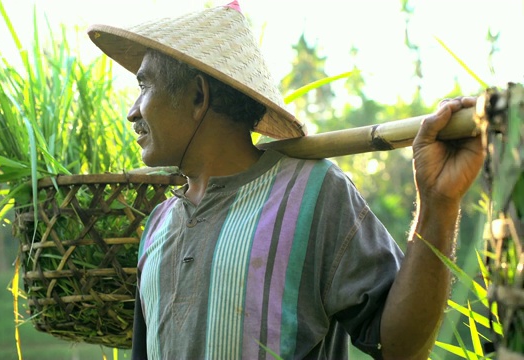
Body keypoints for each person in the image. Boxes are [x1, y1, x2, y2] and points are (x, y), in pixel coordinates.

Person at [88, 2, 484, 359]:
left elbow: (400, 346)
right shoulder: (159, 223)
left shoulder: (314, 195)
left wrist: (438, 203)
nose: (132, 112)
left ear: (197, 96)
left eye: (144, 86)